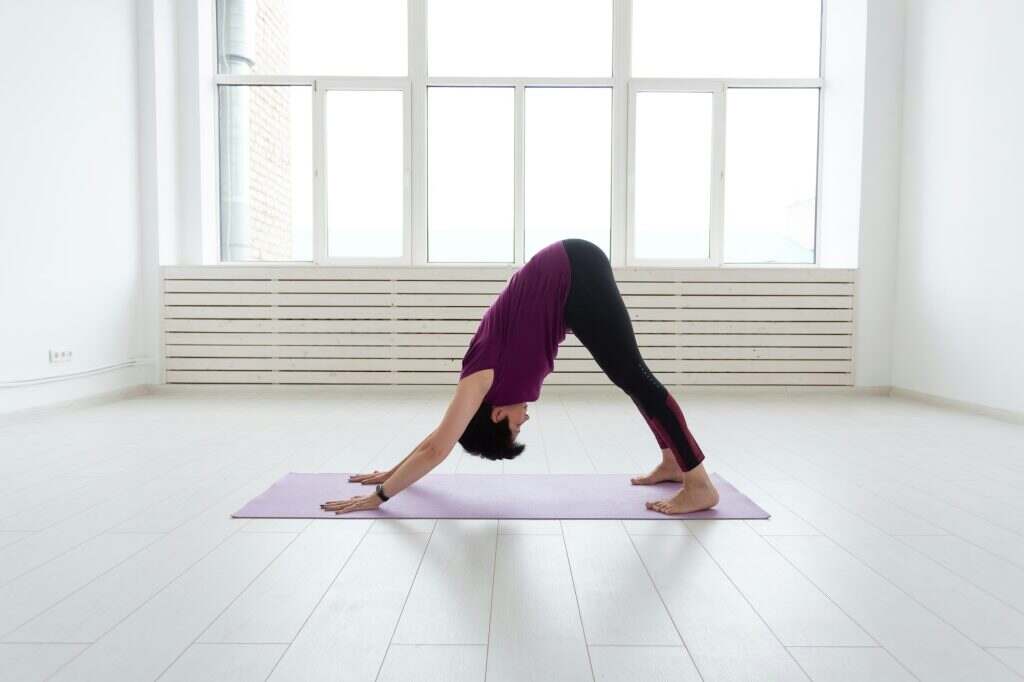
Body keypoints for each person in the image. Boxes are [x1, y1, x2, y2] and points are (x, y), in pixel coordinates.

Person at [322, 238, 719, 516]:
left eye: (514, 427)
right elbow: (442, 436)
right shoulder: (483, 388)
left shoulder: (482, 377)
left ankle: (699, 484)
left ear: (495, 416)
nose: (524, 420)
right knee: (629, 377)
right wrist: (391, 471)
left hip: (575, 272)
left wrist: (380, 496)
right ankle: (673, 462)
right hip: (571, 282)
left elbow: (436, 449)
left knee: (634, 375)